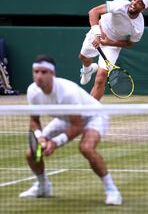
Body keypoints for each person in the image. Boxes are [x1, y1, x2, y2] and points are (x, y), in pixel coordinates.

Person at [19, 55, 122, 205]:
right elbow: (34, 120)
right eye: (36, 71)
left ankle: (112, 190)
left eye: (44, 72)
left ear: (52, 73)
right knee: (31, 154)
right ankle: (43, 186)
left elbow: (77, 126)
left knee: (86, 148)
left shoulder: (67, 92)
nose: (39, 76)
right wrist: (40, 137)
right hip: (65, 119)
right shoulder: (32, 92)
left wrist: (54, 143)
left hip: (94, 116)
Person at [79, 0, 148, 100]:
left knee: (101, 78)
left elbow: (129, 43)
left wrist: (109, 42)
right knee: (83, 57)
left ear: (143, 9)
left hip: (112, 46)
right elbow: (93, 12)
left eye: (139, 3)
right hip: (99, 31)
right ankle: (87, 69)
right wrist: (98, 33)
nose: (135, 3)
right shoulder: (120, 4)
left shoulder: (138, 28)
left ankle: (90, 110)